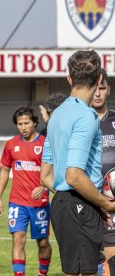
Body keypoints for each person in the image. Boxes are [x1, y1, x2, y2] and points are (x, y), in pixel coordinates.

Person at [40, 50, 115, 276]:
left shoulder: (57, 115)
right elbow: (74, 176)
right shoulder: (86, 116)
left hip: (64, 204)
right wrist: (106, 204)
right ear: (99, 78)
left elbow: (45, 176)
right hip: (79, 204)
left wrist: (77, 199)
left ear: (69, 78)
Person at [0, 106, 52, 276]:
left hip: (40, 204)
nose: (23, 127)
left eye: (26, 123)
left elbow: (54, 170)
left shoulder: (45, 144)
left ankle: (43, 274)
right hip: (17, 202)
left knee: (43, 243)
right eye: (20, 124)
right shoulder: (11, 144)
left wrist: (43, 187)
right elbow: (5, 170)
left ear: (35, 122)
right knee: (18, 240)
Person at [92, 68, 115, 276]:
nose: (98, 93)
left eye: (102, 88)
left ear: (109, 89)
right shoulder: (80, 123)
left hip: (112, 206)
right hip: (87, 202)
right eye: (94, 88)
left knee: (111, 263)